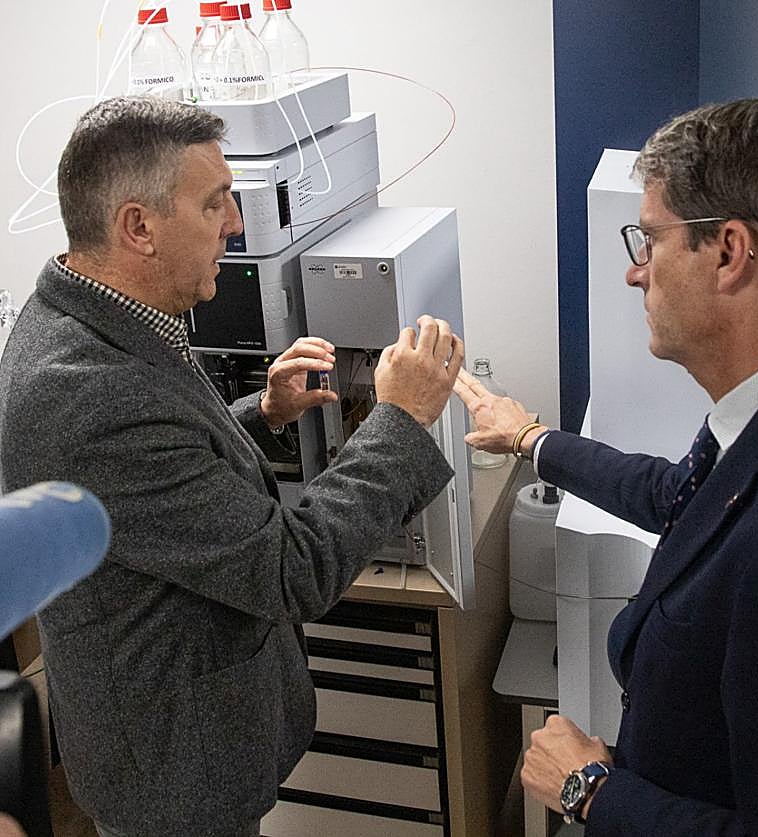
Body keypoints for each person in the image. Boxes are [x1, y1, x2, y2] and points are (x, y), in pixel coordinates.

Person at [456, 98, 758, 835]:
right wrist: (531, 438)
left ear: (728, 252)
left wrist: (590, 789)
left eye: (649, 241)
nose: (633, 272)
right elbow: (681, 495)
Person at [0, 96, 464, 837]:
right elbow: (291, 569)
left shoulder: (83, 310)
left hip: (176, 730)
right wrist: (400, 419)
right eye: (216, 202)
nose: (236, 223)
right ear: (138, 226)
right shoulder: (86, 387)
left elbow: (145, 483)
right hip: (169, 771)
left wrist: (261, 413)